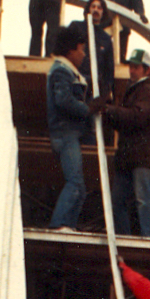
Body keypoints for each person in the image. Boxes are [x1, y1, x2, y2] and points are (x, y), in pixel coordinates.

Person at [46, 24, 109, 231]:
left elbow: (80, 85)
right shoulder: (61, 72)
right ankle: (58, 224)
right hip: (65, 134)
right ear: (70, 50)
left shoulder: (69, 72)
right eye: (81, 50)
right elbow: (63, 100)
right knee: (74, 182)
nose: (83, 55)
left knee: (80, 188)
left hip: (72, 134)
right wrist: (88, 108)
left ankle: (68, 226)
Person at [106, 48, 150, 239]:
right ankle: (125, 238)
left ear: (147, 70)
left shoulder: (149, 91)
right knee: (119, 201)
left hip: (142, 157)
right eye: (131, 66)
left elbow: (136, 117)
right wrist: (109, 112)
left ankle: (149, 239)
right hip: (131, 157)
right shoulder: (135, 91)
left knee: (141, 200)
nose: (131, 70)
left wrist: (110, 110)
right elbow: (126, 120)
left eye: (136, 67)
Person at [80, 0, 116, 98]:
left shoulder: (106, 38)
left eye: (99, 8)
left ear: (103, 13)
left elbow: (109, 69)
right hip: (76, 81)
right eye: (93, 6)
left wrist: (107, 91)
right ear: (88, 9)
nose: (96, 9)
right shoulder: (76, 27)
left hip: (94, 87)